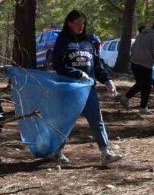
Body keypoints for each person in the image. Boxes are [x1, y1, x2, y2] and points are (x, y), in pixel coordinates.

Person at [51, 9, 123, 166]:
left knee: (97, 119)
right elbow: (58, 64)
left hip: (88, 89)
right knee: (66, 120)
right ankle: (57, 151)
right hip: (69, 89)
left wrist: (107, 81)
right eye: (78, 23)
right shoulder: (63, 41)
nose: (81, 26)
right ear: (69, 23)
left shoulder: (88, 41)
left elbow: (97, 65)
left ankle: (105, 152)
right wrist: (76, 73)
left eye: (83, 23)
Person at [120, 19, 154, 114]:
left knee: (141, 84)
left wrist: (133, 59)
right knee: (146, 85)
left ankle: (127, 99)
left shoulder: (142, 34)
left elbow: (134, 47)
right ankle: (141, 107)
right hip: (144, 64)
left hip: (135, 63)